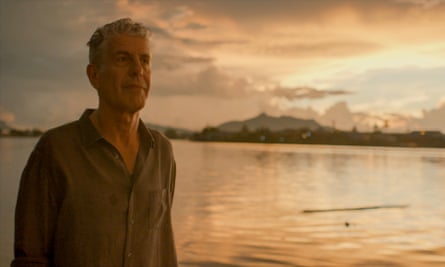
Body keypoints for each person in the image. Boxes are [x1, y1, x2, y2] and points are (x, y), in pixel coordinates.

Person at [12, 18, 178, 267]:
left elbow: (164, 248)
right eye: (123, 59)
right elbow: (30, 259)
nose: (137, 70)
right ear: (94, 75)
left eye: (144, 60)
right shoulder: (55, 151)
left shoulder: (162, 152)